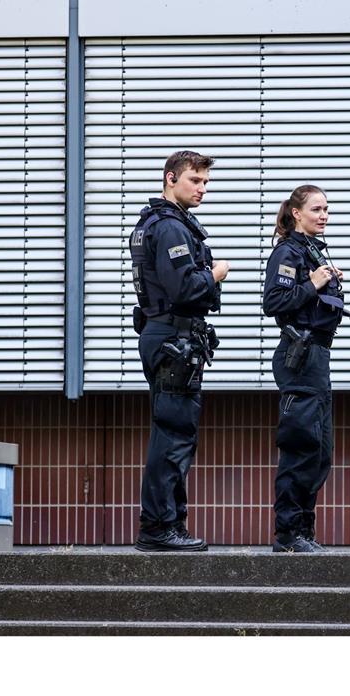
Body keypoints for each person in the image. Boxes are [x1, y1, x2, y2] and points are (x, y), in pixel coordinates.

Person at [128, 150, 229, 552]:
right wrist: (215, 273)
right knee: (173, 436)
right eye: (195, 180)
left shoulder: (154, 223)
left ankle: (171, 525)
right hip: (172, 339)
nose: (202, 189)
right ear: (171, 178)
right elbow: (184, 288)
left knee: (172, 433)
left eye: (205, 182)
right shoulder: (169, 228)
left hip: (166, 336)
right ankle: (158, 528)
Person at [262, 185, 348, 553]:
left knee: (320, 450)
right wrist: (314, 282)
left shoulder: (314, 250)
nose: (323, 215)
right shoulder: (287, 251)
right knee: (300, 446)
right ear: (296, 213)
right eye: (316, 209)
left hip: (317, 357)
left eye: (326, 208)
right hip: (300, 356)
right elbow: (275, 300)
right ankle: (288, 534)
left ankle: (304, 530)